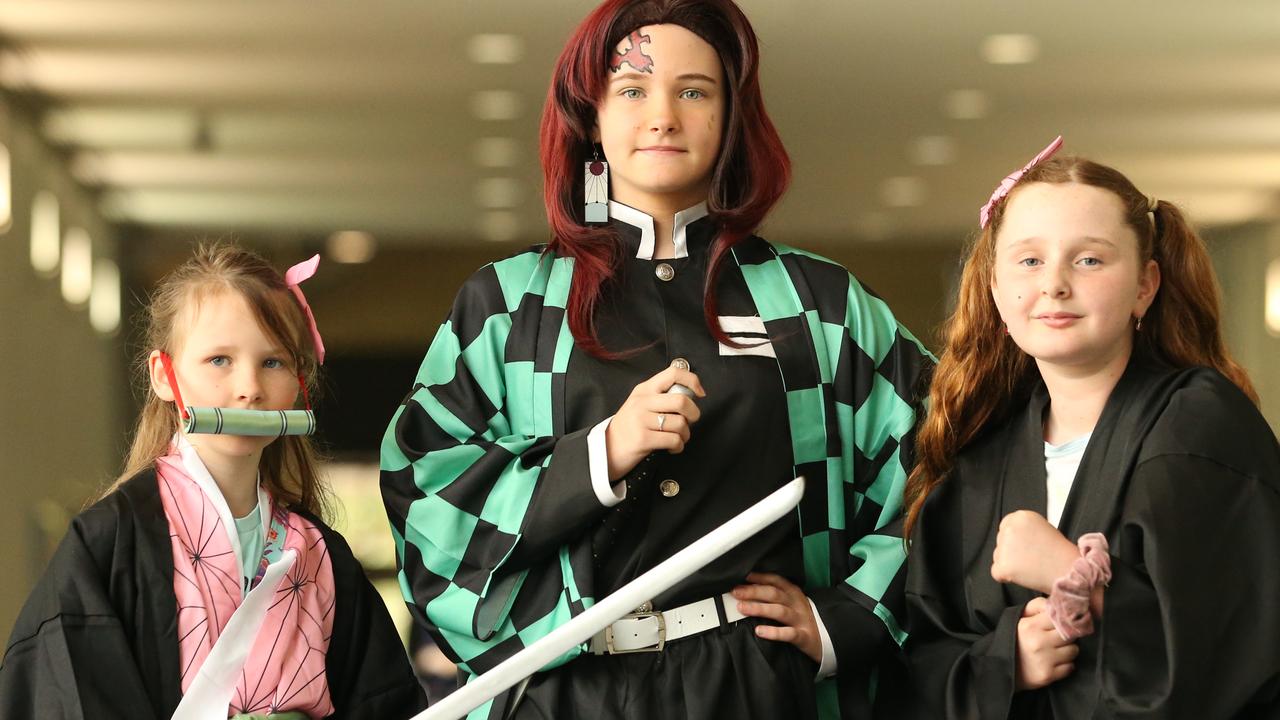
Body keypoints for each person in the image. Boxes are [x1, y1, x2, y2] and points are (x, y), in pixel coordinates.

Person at [379, 1, 932, 718]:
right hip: (563, 694)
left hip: (756, 689)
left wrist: (845, 619)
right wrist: (599, 456)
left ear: (734, 115)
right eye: (632, 90)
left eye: (694, 91)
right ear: (591, 115)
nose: (663, 116)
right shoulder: (508, 305)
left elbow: (941, 463)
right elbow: (422, 489)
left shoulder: (820, 304)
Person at [902, 138, 1280, 718]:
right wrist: (1008, 661)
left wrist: (1067, 574)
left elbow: (1232, 651)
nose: (1054, 284)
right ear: (998, 291)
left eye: (1090, 260)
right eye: (1029, 260)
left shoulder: (1200, 425)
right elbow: (920, 662)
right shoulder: (979, 457)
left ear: (1145, 286)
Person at [0, 244, 427, 719]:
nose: (249, 388)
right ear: (165, 375)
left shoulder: (319, 552)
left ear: (299, 383)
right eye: (219, 360)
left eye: (274, 362)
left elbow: (381, 702)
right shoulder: (110, 539)